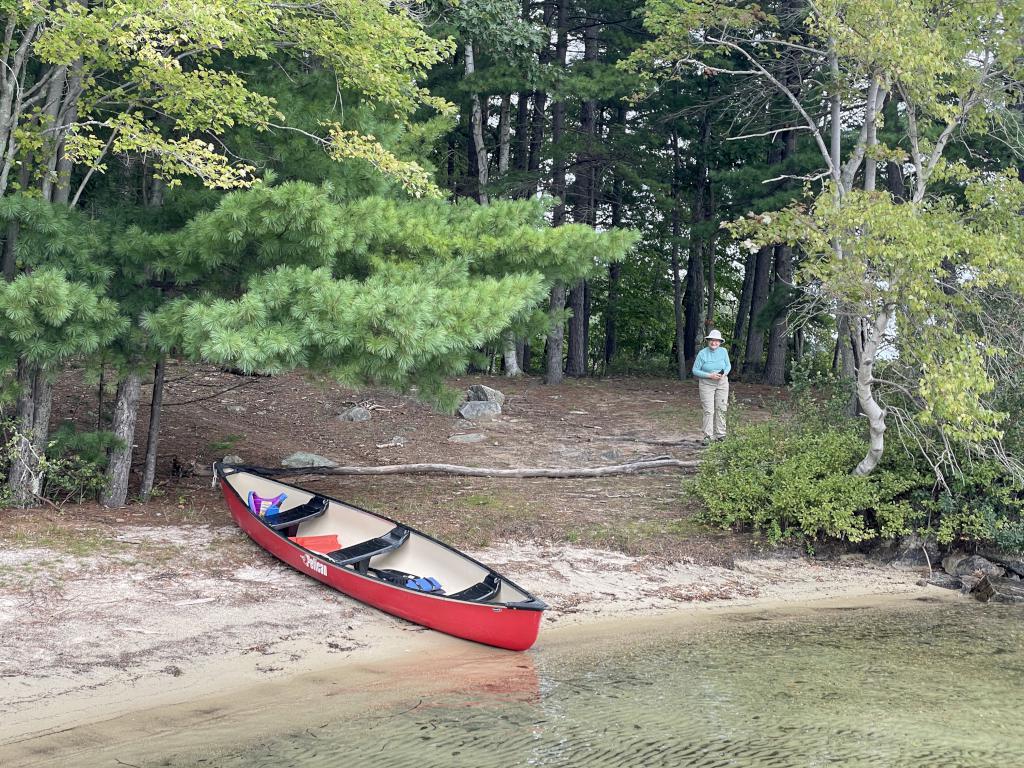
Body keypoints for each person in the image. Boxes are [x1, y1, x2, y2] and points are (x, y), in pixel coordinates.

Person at [692, 329, 731, 445]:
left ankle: (721, 435)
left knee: (722, 408)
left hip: (722, 382)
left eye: (717, 341)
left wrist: (724, 373)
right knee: (709, 410)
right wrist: (710, 375)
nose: (714, 343)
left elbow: (728, 365)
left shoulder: (724, 351)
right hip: (706, 384)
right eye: (712, 340)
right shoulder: (702, 353)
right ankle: (708, 436)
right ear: (708, 341)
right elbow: (695, 370)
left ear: (720, 342)